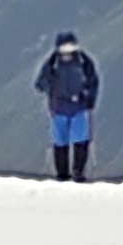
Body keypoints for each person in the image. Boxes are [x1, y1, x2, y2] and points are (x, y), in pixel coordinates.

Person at [36, 29, 99, 181]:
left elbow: (93, 82)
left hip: (79, 107)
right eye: (64, 50)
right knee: (60, 141)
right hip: (59, 108)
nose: (67, 54)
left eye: (70, 49)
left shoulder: (84, 62)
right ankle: (62, 173)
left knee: (80, 140)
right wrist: (50, 89)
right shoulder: (52, 63)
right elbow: (40, 82)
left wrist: (90, 99)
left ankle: (78, 172)